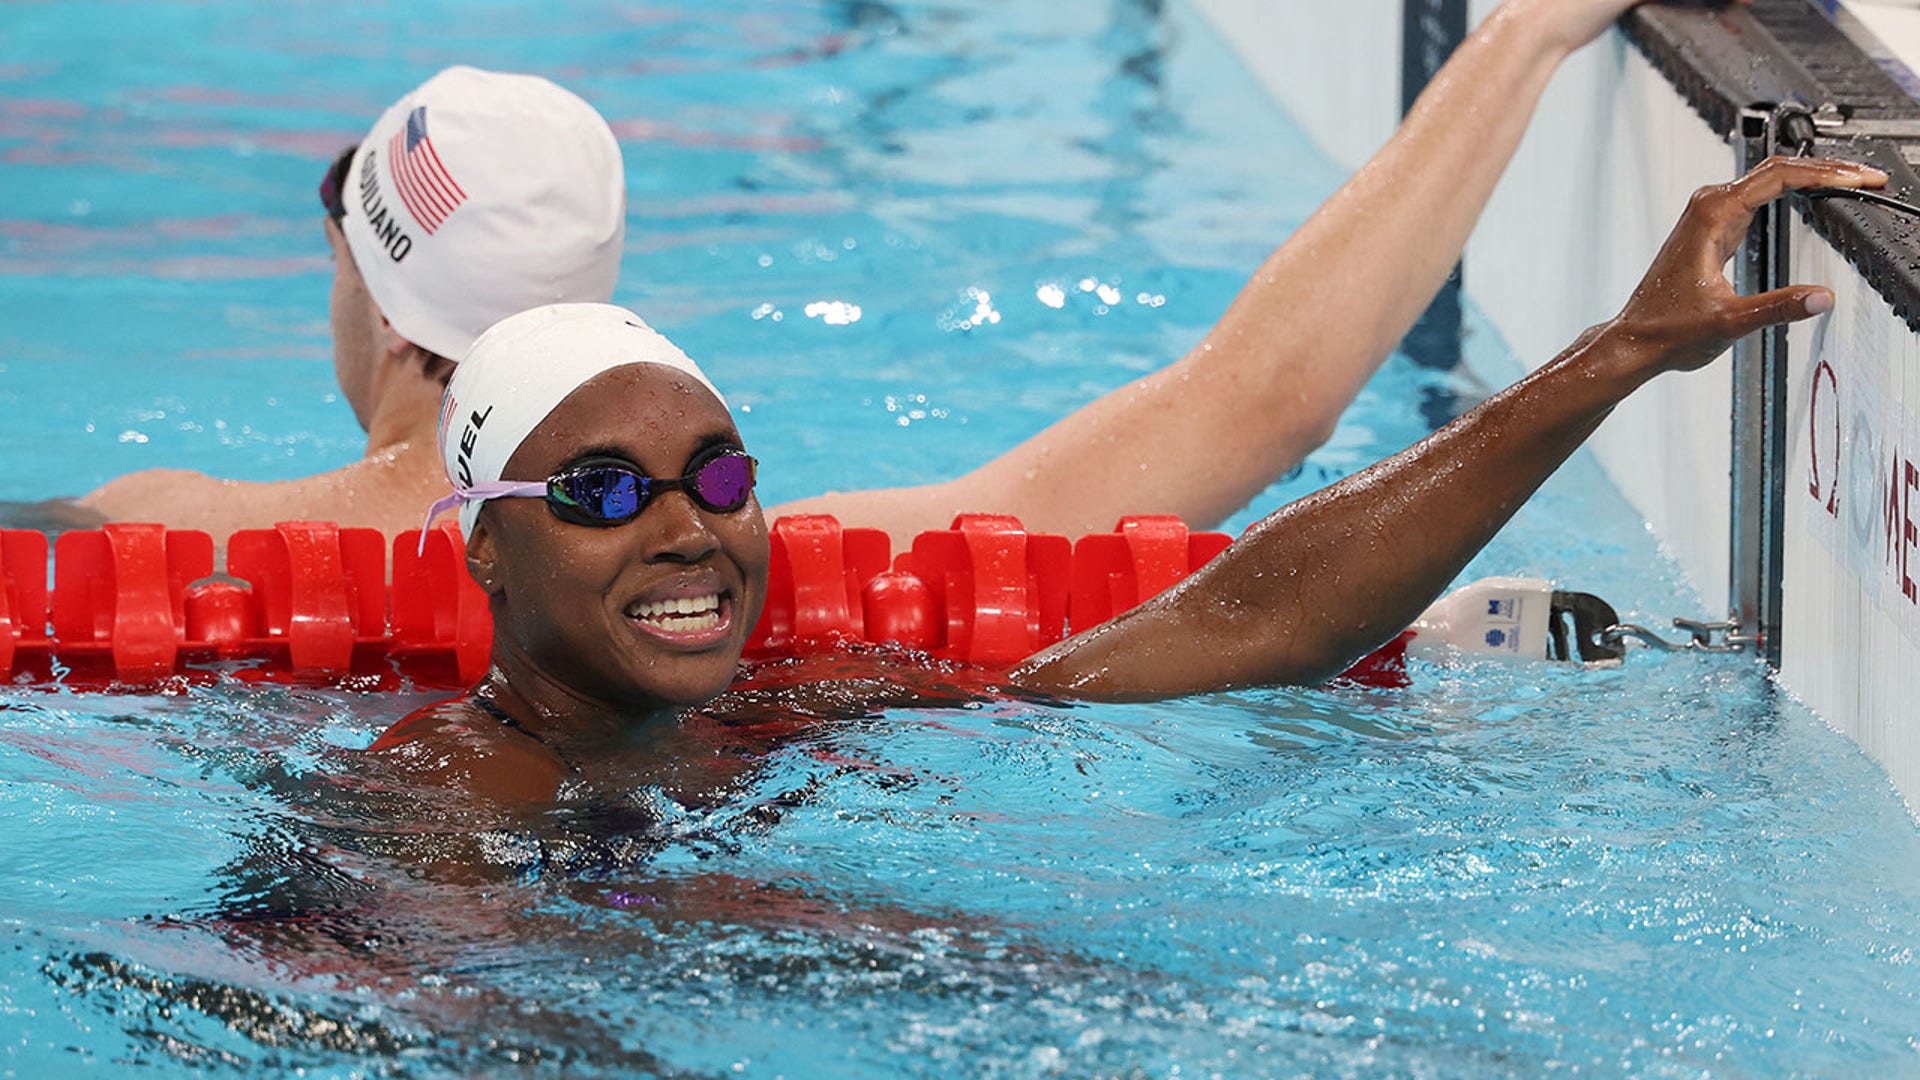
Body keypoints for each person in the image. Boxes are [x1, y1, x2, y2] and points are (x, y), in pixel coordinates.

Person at [368, 155, 1886, 805]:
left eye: (717, 475)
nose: (687, 530)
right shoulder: (450, 803)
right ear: (485, 548)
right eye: (603, 492)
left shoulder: (779, 711)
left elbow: (1239, 627)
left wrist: (1622, 352)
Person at [52, 0, 1696, 548]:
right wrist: (1522, 36)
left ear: (373, 278)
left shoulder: (161, 533)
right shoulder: (730, 568)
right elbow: (1255, 407)